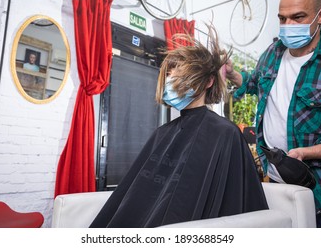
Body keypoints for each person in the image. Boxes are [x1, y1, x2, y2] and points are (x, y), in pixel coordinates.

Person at [89, 26, 268, 228]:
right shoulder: (162, 133)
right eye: (168, 77)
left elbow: (236, 204)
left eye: (179, 76)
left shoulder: (224, 133)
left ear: (209, 81)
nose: (170, 83)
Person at [225, 0, 321, 228]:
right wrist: (232, 74)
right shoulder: (272, 53)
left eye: (298, 18)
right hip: (277, 184)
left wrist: (306, 153)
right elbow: (253, 83)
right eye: (282, 19)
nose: (288, 26)